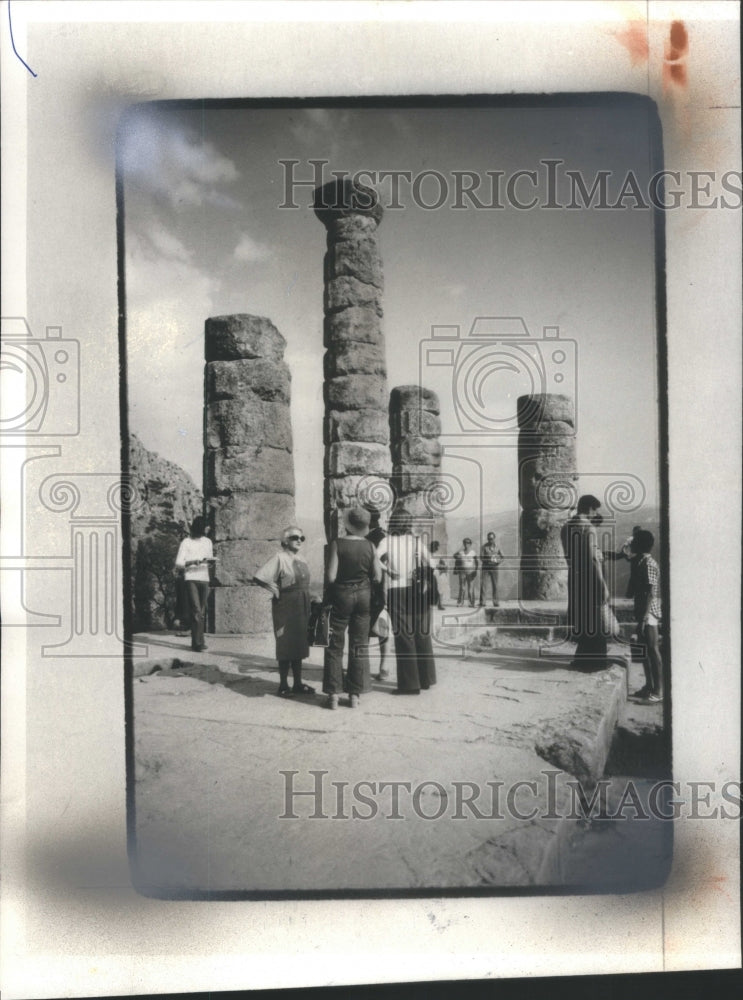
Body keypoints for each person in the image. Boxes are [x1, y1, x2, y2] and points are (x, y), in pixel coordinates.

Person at [323, 507, 383, 709]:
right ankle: (355, 695)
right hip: (364, 597)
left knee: (334, 644)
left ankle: (333, 694)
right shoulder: (370, 546)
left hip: (341, 595)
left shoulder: (337, 544)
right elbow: (377, 576)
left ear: (347, 524)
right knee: (359, 645)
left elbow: (331, 577)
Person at [377, 511, 437, 695]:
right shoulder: (415, 541)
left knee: (404, 635)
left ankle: (410, 685)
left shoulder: (386, 541)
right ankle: (426, 679)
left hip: (397, 589)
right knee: (421, 633)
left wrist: (388, 569)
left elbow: (374, 558)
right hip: (417, 591)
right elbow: (432, 563)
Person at [254, 526, 315, 698]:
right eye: (295, 537)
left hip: (302, 605)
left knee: (300, 643)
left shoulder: (303, 559)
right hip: (286, 605)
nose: (298, 540)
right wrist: (274, 589)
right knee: (285, 642)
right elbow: (260, 576)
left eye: (301, 538)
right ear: (285, 541)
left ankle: (297, 683)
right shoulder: (279, 558)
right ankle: (283, 685)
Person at [560, 495, 611, 670]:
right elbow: (593, 559)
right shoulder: (588, 528)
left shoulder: (566, 527)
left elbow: (567, 556)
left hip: (574, 576)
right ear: (589, 508)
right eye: (595, 510)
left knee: (582, 619)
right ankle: (595, 663)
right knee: (596, 619)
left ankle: (582, 659)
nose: (595, 513)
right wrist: (602, 584)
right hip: (590, 578)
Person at [630, 529, 663, 702]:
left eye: (634, 540)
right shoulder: (641, 561)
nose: (631, 543)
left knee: (652, 649)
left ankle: (657, 691)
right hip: (643, 611)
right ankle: (649, 686)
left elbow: (650, 592)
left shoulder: (649, 564)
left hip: (648, 612)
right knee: (645, 650)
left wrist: (643, 618)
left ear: (640, 544)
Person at [174, 516, 215, 652]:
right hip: (191, 578)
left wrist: (210, 562)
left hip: (204, 578)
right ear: (200, 527)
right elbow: (179, 563)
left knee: (201, 611)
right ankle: (198, 644)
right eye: (206, 526)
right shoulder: (186, 542)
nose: (208, 528)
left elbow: (208, 559)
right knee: (196, 610)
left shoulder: (208, 542)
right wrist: (193, 562)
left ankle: (197, 641)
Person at [366, 508, 392, 680]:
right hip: (384, 585)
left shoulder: (367, 539)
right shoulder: (385, 536)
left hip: (370, 586)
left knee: (364, 628)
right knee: (383, 626)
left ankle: (364, 666)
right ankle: (384, 666)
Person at [479, 531, 504, 607]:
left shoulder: (498, 547)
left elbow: (502, 557)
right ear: (487, 539)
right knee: (483, 584)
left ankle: (496, 602)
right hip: (485, 567)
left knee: (495, 585)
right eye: (489, 539)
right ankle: (482, 602)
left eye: (492, 538)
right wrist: (487, 560)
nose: (490, 540)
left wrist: (497, 561)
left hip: (494, 567)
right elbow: (481, 557)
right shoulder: (484, 547)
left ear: (494, 538)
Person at [453, 537, 478, 607]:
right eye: (465, 543)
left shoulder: (473, 552)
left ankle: (471, 603)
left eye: (468, 543)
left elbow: (476, 562)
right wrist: (458, 556)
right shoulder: (461, 552)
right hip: (462, 572)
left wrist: (475, 570)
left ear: (470, 544)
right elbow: (454, 555)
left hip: (470, 572)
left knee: (470, 588)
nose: (466, 544)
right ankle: (460, 602)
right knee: (462, 588)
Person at [430, 539, 449, 610]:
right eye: (434, 546)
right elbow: (433, 565)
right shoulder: (428, 555)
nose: (435, 548)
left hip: (438, 573)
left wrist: (443, 567)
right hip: (431, 572)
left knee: (441, 588)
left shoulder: (439, 555)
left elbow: (444, 564)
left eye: (436, 546)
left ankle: (440, 604)